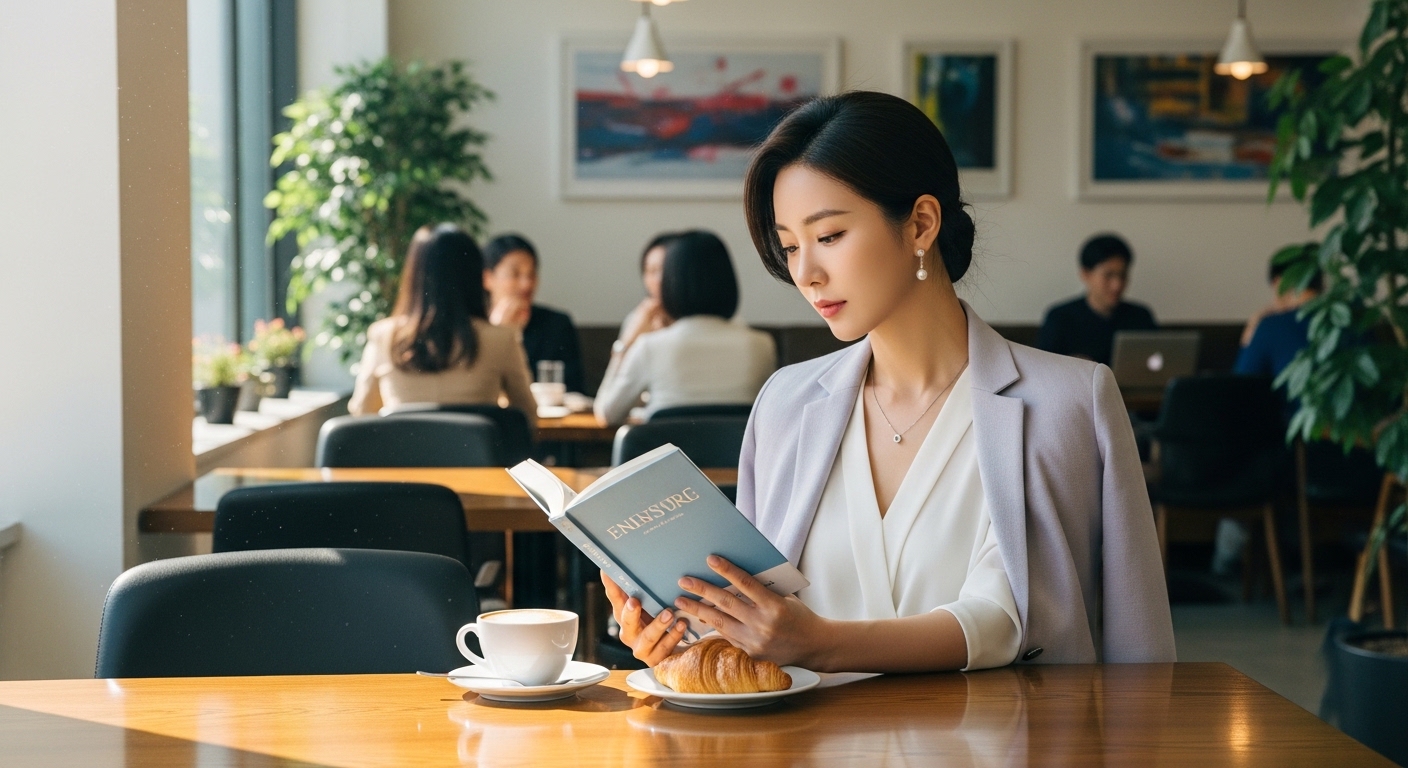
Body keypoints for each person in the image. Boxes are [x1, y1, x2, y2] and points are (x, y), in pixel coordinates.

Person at [603, 91, 1174, 672]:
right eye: (790, 247)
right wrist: (689, 640)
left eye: (828, 237)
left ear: (922, 223)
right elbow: (760, 622)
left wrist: (822, 643)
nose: (806, 273)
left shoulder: (1069, 403)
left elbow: (1009, 618)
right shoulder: (785, 403)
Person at [348, 224, 537, 425]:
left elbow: (362, 412)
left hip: (405, 456)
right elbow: (528, 416)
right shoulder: (501, 338)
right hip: (475, 456)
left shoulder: (384, 336)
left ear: (414, 274)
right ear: (475, 276)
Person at [593, 231, 776, 425]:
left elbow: (607, 414)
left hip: (667, 454)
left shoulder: (649, 347)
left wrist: (624, 345)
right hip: (738, 456)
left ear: (671, 282)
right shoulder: (761, 345)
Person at [481, 233, 586, 394]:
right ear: (487, 278)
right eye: (515, 274)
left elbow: (574, 387)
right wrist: (499, 333)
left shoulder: (557, 324)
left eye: (531, 274)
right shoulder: (474, 324)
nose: (526, 284)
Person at [1037, 235, 1157, 365]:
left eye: (1122, 275)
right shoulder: (1060, 318)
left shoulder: (1140, 316)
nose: (1117, 285)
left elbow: (1159, 361)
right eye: (1108, 275)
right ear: (1086, 274)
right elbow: (1042, 368)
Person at [1235, 246, 1322, 378]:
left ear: (1278, 283)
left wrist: (1251, 331)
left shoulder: (1271, 327)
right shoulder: (1355, 319)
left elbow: (1240, 385)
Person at [614, 232, 679, 357]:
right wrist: (628, 342)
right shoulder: (637, 319)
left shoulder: (699, 324)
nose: (658, 280)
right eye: (651, 271)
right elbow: (616, 375)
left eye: (666, 270)